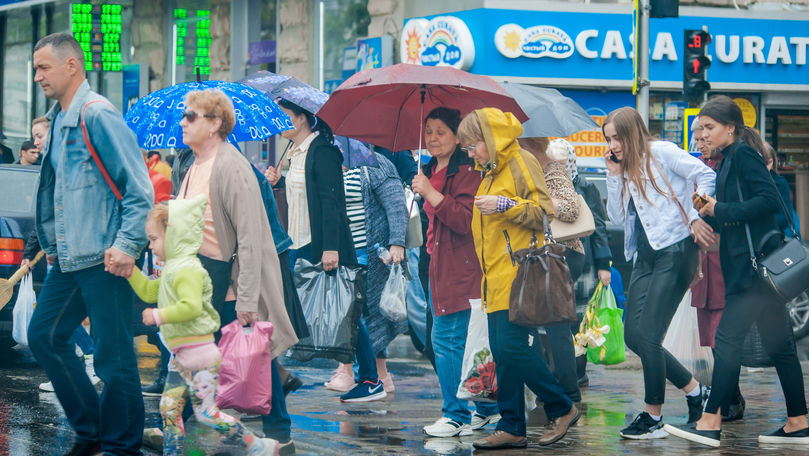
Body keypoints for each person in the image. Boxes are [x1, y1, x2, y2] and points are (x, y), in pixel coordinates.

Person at [26, 32, 153, 456]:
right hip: (68, 258)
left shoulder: (97, 115)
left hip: (104, 258)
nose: (38, 75)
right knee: (44, 336)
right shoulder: (58, 121)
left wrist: (126, 245)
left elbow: (139, 190)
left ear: (71, 66)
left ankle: (121, 445)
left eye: (44, 67)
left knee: (114, 361)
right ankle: (93, 428)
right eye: (35, 68)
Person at [665, 95, 809, 447]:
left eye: (710, 128)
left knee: (727, 343)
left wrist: (720, 209)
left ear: (731, 127)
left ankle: (710, 421)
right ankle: (798, 422)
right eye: (702, 128)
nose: (704, 134)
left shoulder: (743, 154)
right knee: (782, 348)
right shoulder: (728, 158)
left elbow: (769, 200)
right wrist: (712, 210)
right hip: (750, 269)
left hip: (753, 270)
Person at [172, 89, 299, 454]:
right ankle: (179, 425)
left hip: (225, 280)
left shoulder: (231, 165)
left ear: (214, 124)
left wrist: (247, 298)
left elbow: (251, 237)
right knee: (192, 353)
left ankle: (278, 434)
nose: (183, 122)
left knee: (254, 352)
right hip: (201, 278)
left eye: (191, 116)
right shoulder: (194, 163)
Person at [459, 108, 579, 450]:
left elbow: (543, 214)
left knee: (511, 348)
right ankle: (512, 425)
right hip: (495, 277)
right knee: (503, 352)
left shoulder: (520, 161)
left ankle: (561, 406)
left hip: (519, 274)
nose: (470, 153)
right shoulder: (490, 171)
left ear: (491, 138)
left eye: (473, 145)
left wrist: (504, 205)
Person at [128, 197, 279, 455]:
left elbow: (192, 306)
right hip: (181, 357)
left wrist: (158, 315)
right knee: (169, 409)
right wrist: (130, 272)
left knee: (207, 414)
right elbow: (151, 289)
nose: (150, 246)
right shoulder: (173, 267)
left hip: (199, 358)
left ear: (173, 234)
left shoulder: (187, 269)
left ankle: (258, 446)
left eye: (154, 239)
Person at [602, 107, 716, 440]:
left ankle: (653, 416)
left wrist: (699, 214)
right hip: (645, 256)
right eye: (608, 139)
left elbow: (706, 175)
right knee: (633, 335)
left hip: (676, 251)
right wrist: (612, 174)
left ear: (632, 132)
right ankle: (697, 393)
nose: (613, 144)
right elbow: (615, 216)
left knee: (649, 336)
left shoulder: (662, 152)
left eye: (617, 137)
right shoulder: (623, 167)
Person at [411, 107, 500, 437]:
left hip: (462, 267)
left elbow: (465, 220)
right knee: (465, 342)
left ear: (457, 136)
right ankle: (489, 409)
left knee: (446, 340)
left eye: (440, 131)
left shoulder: (468, 173)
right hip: (437, 263)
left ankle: (456, 414)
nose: (432, 138)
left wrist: (430, 192)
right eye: (428, 131)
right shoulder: (431, 169)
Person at [328, 151, 407, 401]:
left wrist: (397, 242)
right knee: (355, 317)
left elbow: (396, 206)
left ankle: (373, 379)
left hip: (371, 254)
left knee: (366, 315)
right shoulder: (334, 161)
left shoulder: (375, 163)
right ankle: (372, 378)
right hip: (346, 255)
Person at [688, 117, 745, 422]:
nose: (702, 143)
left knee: (724, 333)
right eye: (697, 139)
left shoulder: (730, 163)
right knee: (709, 334)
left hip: (724, 256)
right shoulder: (696, 165)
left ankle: (729, 397)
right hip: (701, 261)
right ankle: (724, 393)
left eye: (705, 136)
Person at [519, 136, 584, 405]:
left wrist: (536, 202)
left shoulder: (552, 169)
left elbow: (570, 208)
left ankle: (568, 393)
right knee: (535, 324)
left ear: (530, 146)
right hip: (542, 255)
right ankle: (551, 388)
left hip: (561, 254)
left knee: (557, 326)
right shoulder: (530, 171)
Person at [547, 138, 612, 386]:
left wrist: (604, 264)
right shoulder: (543, 185)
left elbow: (600, 227)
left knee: (580, 319)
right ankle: (557, 372)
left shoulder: (585, 186)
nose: (560, 169)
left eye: (564, 163)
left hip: (582, 261)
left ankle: (578, 373)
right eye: (555, 164)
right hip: (552, 261)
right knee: (555, 319)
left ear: (572, 161)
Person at [762, 142, 801, 239]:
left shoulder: (780, 183)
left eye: (768, 162)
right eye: (762, 162)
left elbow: (786, 217)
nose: (765, 167)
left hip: (777, 235)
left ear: (773, 162)